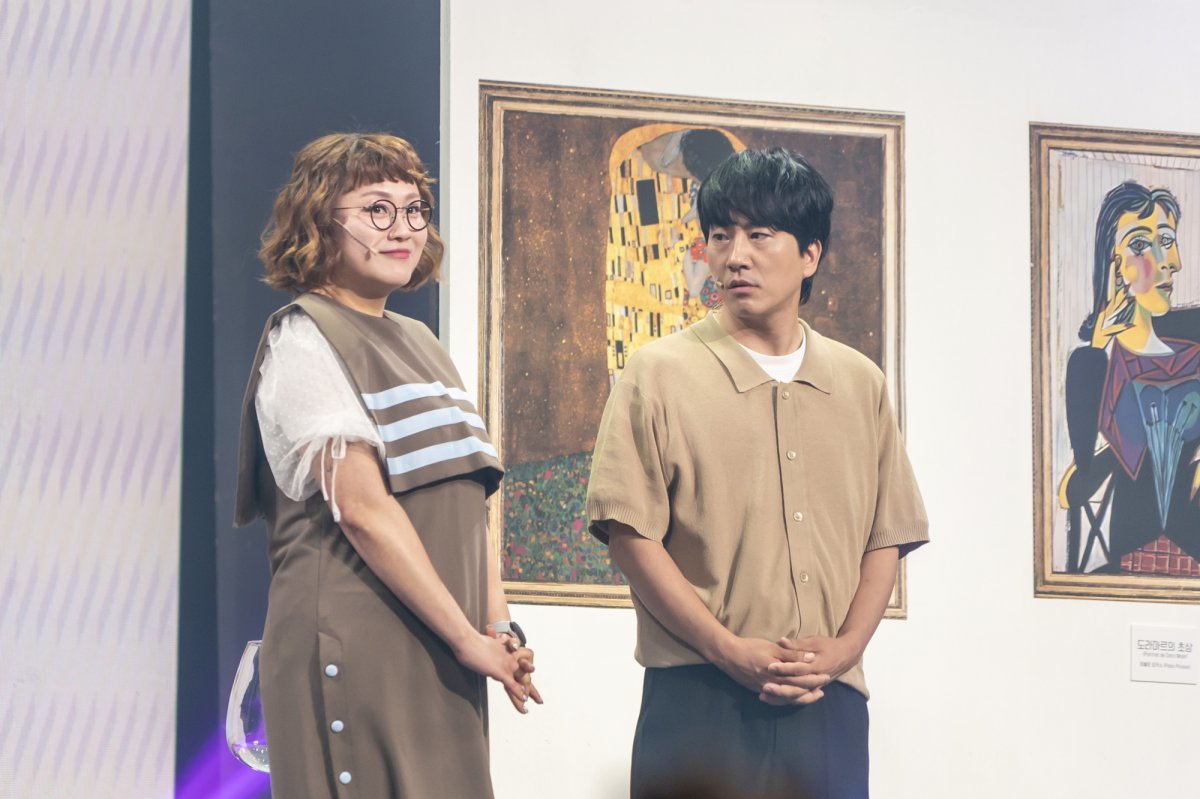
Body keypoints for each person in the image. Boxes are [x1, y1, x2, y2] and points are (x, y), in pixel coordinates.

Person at [586, 147, 928, 799]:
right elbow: (630, 535)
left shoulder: (860, 382)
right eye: (721, 236)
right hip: (696, 695)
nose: (735, 255)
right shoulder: (658, 373)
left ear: (810, 254)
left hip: (828, 702)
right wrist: (725, 647)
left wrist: (845, 649)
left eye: (759, 234)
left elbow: (886, 536)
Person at [233, 132, 541, 798]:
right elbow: (362, 510)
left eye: (414, 208)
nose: (403, 228)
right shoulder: (305, 337)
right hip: (356, 641)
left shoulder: (420, 341)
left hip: (441, 642)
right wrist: (466, 639)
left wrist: (499, 629)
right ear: (319, 222)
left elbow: (470, 506)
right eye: (377, 209)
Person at [1062, 181, 1200, 572]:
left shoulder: (1194, 331)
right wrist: (1100, 343)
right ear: (1113, 263)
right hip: (1132, 552)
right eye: (1140, 245)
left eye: (1167, 241)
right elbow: (1080, 479)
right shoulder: (1092, 362)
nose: (1169, 262)